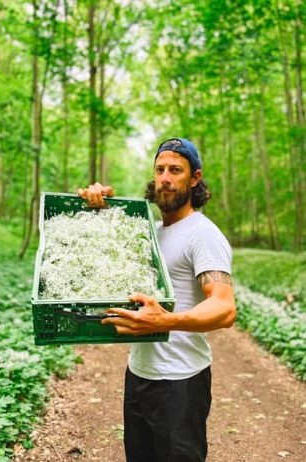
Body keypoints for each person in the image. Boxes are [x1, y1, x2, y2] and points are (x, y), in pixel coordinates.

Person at [77, 137, 237, 462]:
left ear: (194, 178)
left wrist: (167, 321)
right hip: (139, 374)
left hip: (180, 381)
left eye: (175, 170)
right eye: (160, 169)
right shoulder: (152, 233)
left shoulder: (202, 234)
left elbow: (224, 308)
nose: (165, 177)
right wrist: (95, 204)